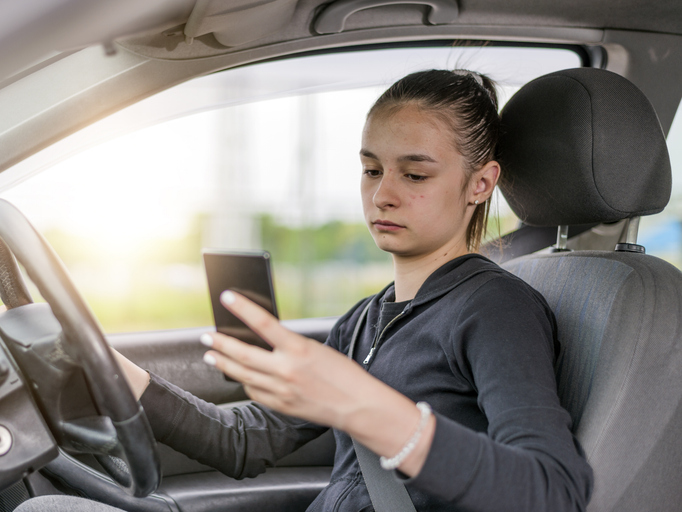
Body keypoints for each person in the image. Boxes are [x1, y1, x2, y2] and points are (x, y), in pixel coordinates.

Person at [17, 69, 593, 512]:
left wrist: (368, 408)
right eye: (371, 169)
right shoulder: (365, 320)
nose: (383, 195)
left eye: (414, 174)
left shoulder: (496, 308)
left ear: (480, 183)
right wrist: (108, 367)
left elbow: (551, 491)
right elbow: (242, 443)